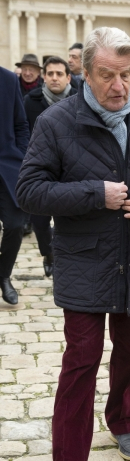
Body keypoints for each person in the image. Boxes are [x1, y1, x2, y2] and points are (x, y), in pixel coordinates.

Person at [17, 26, 130, 461]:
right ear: (84, 73)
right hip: (84, 261)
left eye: (126, 75)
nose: (119, 86)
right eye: (108, 75)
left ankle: (123, 418)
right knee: (82, 359)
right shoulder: (56, 123)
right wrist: (96, 194)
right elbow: (29, 191)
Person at [24, 56, 77, 277]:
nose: (54, 78)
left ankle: (70, 256)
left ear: (68, 77)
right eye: (50, 74)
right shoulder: (31, 101)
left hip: (72, 167)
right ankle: (49, 253)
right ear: (44, 77)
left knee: (72, 216)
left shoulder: (80, 100)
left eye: (59, 74)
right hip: (42, 168)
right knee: (40, 219)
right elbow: (24, 132)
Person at [0, 67, 30, 304]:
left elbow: (21, 124)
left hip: (8, 167)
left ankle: (4, 275)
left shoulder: (9, 79)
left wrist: (21, 156)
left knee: (15, 225)